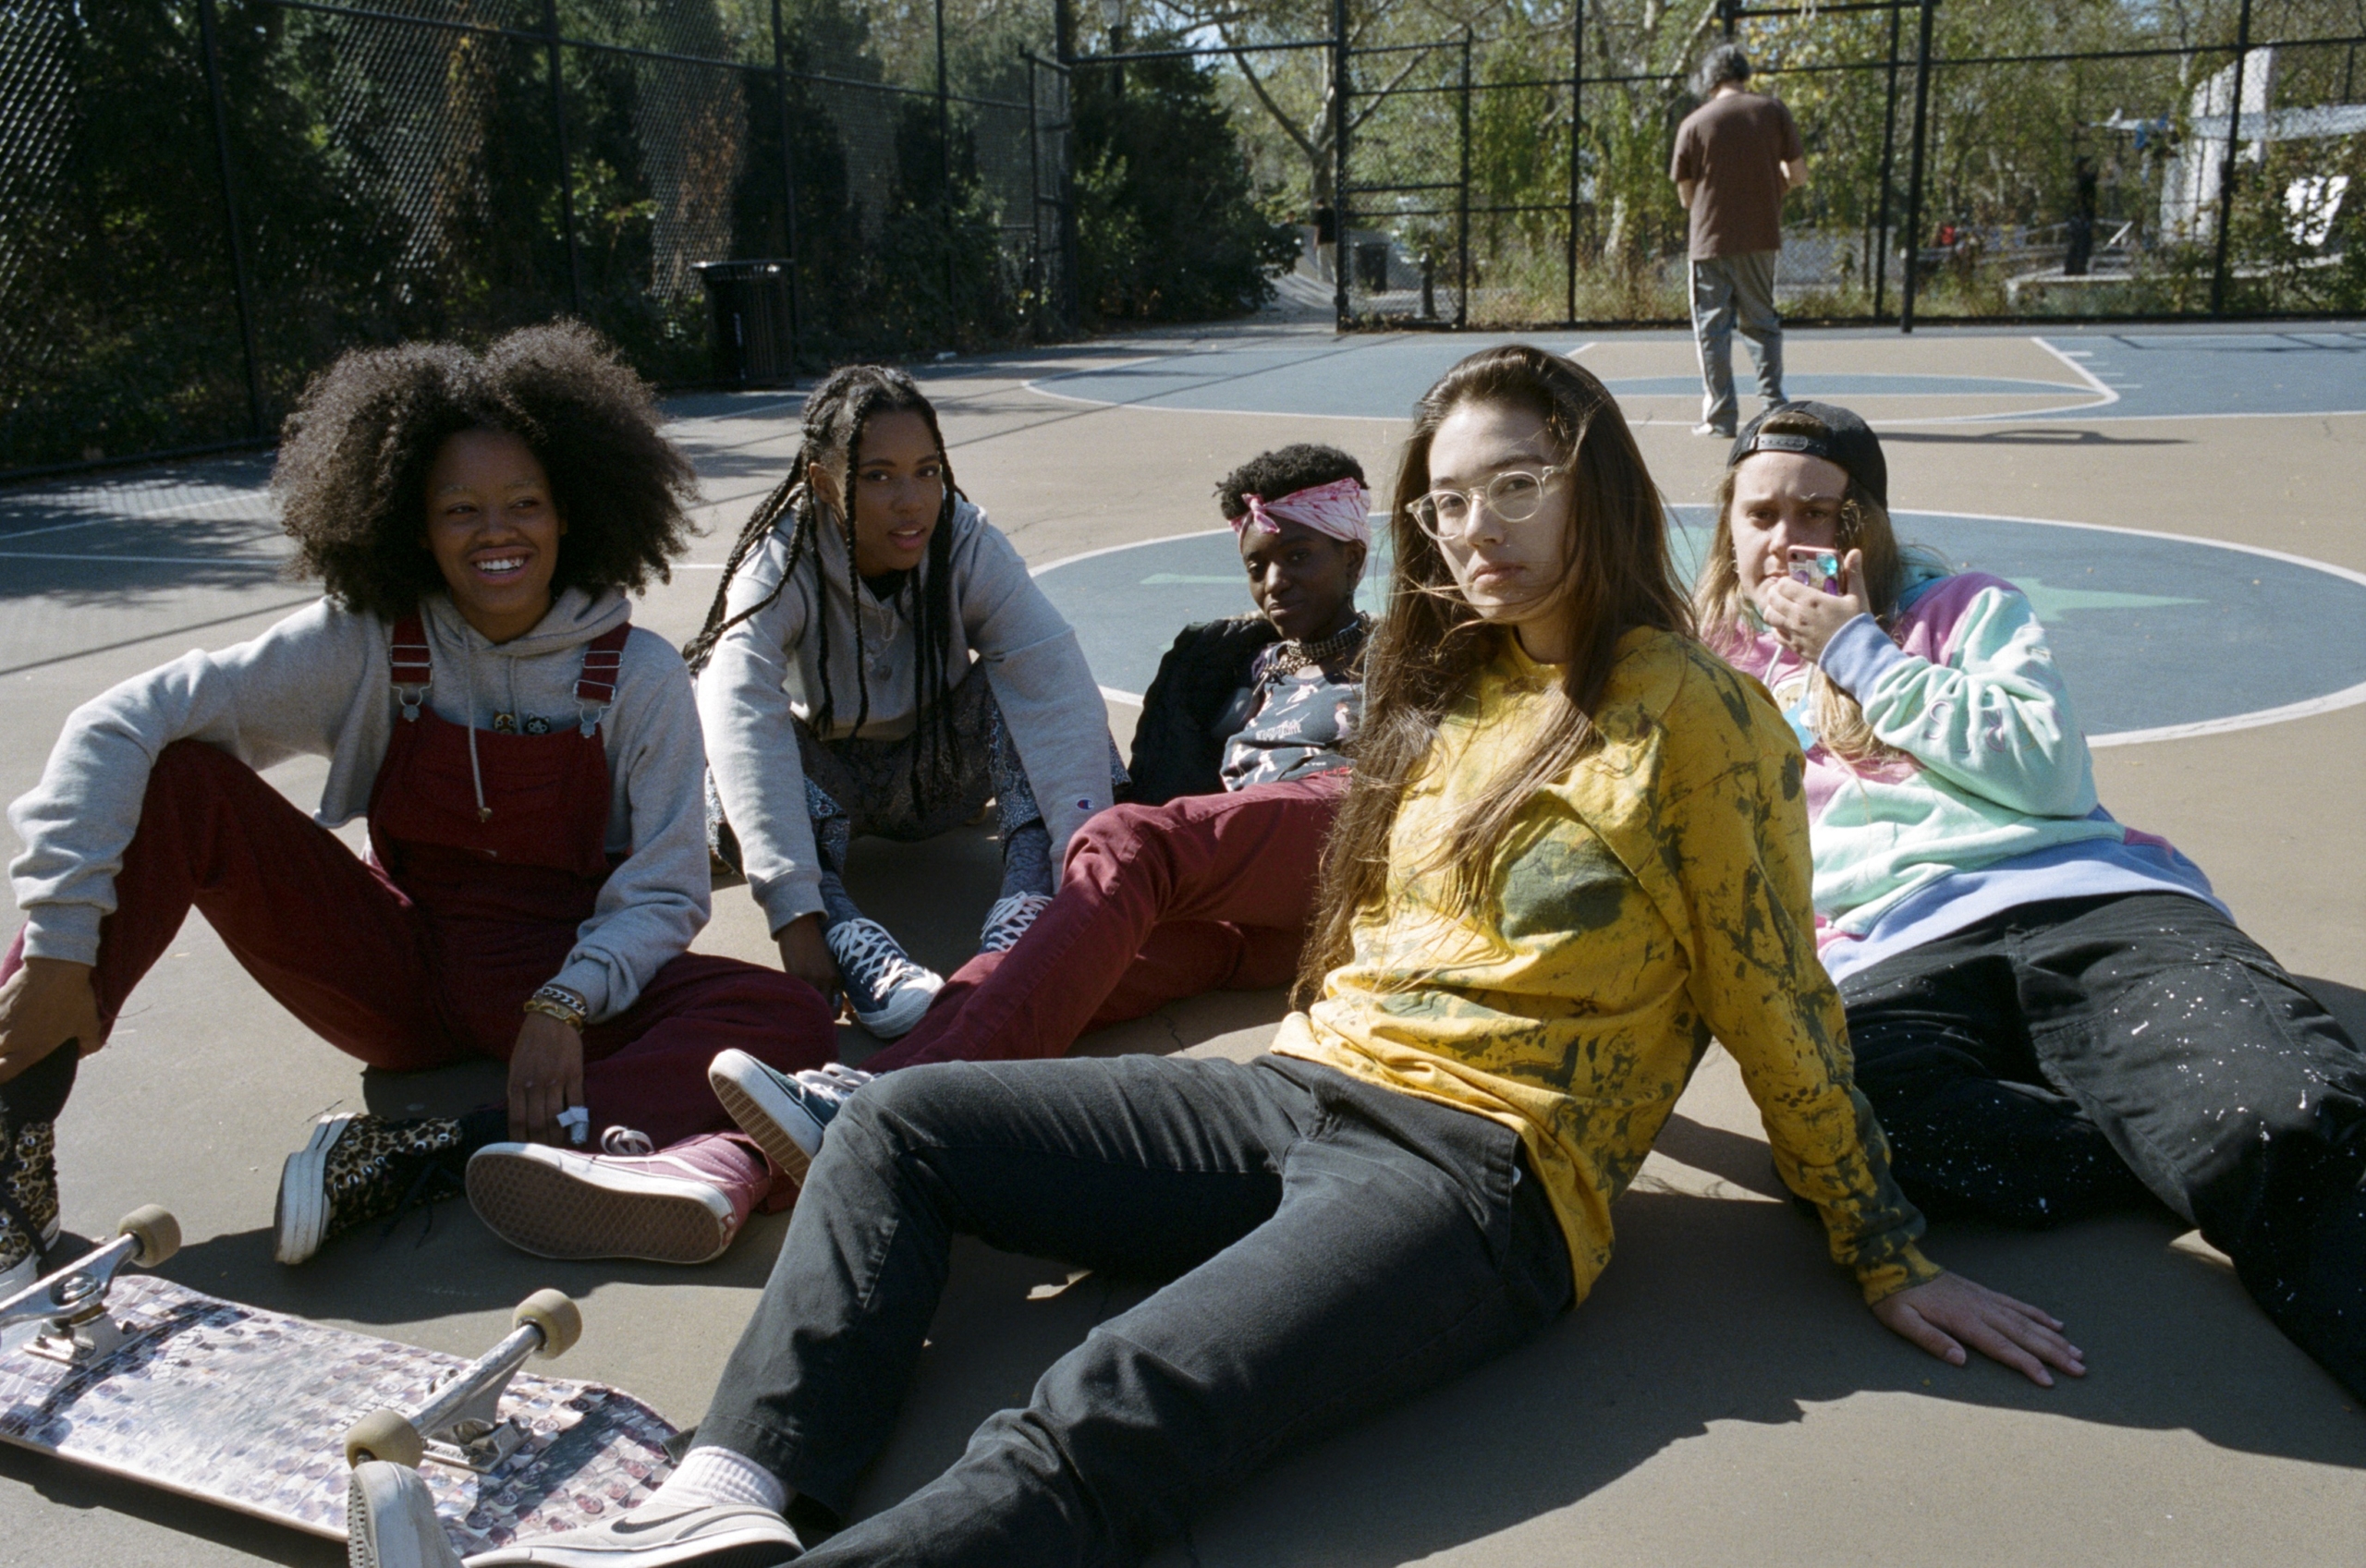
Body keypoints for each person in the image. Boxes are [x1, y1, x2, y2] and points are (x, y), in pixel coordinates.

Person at [349, 345, 2079, 1568]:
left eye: (1517, 489)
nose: (1476, 530)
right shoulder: (1447, 681)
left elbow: (1776, 993)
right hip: (1306, 1096)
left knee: (1110, 1396)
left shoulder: (1694, 719)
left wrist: (1883, 1246)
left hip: (1488, 1182)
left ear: (1597, 486)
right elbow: (1360, 925)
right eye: (1447, 499)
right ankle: (734, 1478)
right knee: (902, 1122)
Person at [0, 326, 836, 1284]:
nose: (497, 531)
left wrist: (564, 1001)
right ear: (414, 525)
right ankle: (9, 1143)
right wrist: (62, 945)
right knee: (185, 779)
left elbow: (668, 886)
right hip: (388, 970)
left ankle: (421, 1148)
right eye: (460, 509)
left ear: (571, 513)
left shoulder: (636, 673)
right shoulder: (367, 643)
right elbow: (119, 720)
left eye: (526, 502)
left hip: (555, 979)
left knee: (790, 1020)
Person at [1695, 399, 2366, 1400]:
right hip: (1884, 953)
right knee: (1846, 1143)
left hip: (2084, 901)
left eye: (1818, 512)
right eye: (1760, 515)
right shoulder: (1705, 670)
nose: (1785, 538)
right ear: (1728, 529)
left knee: (2284, 1113)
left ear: (1864, 523)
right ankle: (2165, 1117)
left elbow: (2047, 773)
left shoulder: (1961, 607)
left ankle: (2215, 1109)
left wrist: (1858, 651)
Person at [706, 444, 1373, 1177]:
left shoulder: (1406, 653)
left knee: (1129, 841)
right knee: (1022, 973)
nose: (1274, 582)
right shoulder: (1234, 668)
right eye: (1256, 565)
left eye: (1300, 557)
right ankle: (775, 1150)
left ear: (1354, 558)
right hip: (1265, 922)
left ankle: (856, 1108)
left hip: (1346, 829)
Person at [689, 366, 1121, 1041]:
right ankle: (848, 934)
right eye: (878, 475)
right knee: (715, 725)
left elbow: (1054, 675)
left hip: (940, 773)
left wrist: (1084, 871)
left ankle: (1028, 903)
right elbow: (741, 706)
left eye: (926, 471)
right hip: (834, 793)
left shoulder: (965, 536)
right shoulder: (781, 558)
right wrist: (795, 907)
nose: (911, 500)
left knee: (1044, 684)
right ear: (822, 479)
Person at [1670, 42, 1806, 439]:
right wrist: (1775, 179)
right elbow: (1799, 174)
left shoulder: (1694, 124)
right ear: (1744, 74)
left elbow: (1686, 196)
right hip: (1761, 236)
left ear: (1709, 79)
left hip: (1709, 239)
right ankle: (1774, 406)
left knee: (1712, 330)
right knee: (1762, 323)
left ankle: (1721, 416)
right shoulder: (1773, 111)